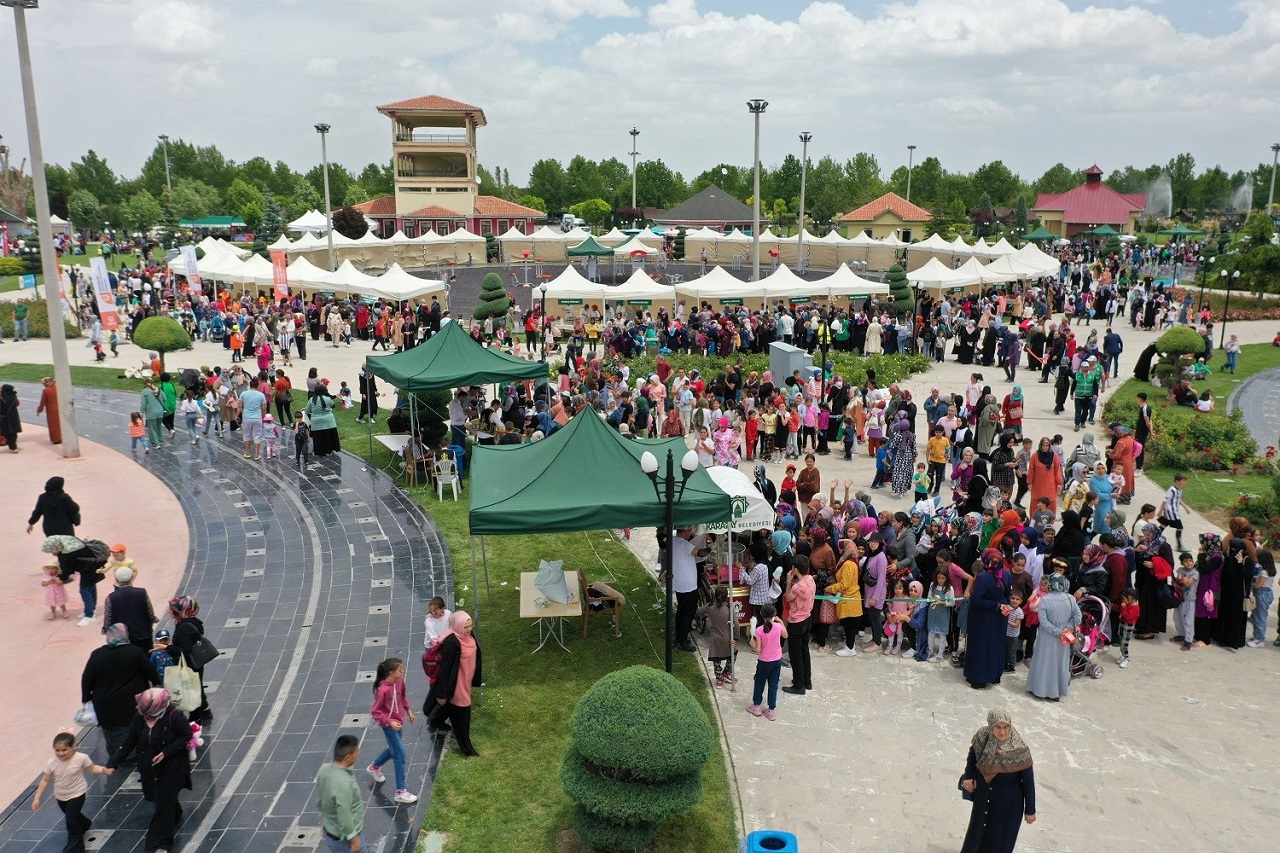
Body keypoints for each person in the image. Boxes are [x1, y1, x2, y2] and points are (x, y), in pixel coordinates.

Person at [104, 687, 193, 853]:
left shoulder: (174, 716)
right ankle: (174, 811)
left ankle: (159, 843)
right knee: (160, 799)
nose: (142, 714)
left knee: (162, 807)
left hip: (172, 768)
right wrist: (113, 763)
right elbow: (130, 740)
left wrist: (166, 752)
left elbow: (186, 735)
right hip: (150, 768)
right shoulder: (140, 717)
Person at [959, 708, 1036, 853]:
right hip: (983, 799)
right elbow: (972, 755)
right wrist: (969, 776)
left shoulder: (1019, 749)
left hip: (1007, 807)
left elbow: (1028, 782)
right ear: (990, 726)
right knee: (976, 836)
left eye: (1006, 727)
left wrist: (1030, 810)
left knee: (998, 842)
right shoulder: (983, 737)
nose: (1003, 732)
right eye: (998, 727)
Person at [81, 623, 160, 761]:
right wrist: (156, 683)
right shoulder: (135, 651)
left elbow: (87, 679)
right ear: (125, 635)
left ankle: (118, 756)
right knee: (134, 728)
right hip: (132, 702)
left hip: (105, 705)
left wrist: (86, 698)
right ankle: (134, 753)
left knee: (112, 733)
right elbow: (150, 671)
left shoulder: (97, 655)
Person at [32, 731, 109, 853]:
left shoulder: (81, 758)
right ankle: (84, 824)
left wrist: (103, 770)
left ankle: (74, 848)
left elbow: (92, 767)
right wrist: (37, 798)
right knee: (73, 815)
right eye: (57, 750)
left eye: (64, 750)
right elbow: (45, 780)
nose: (60, 753)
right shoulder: (52, 763)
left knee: (71, 821)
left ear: (73, 747)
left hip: (78, 793)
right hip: (61, 796)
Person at [425, 611, 482, 757]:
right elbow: (446, 670)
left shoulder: (467, 635)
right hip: (457, 684)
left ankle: (435, 721)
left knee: (450, 707)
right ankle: (467, 749)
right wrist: (442, 694)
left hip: (465, 680)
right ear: (457, 625)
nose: (469, 629)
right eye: (466, 626)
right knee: (462, 715)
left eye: (470, 626)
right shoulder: (451, 643)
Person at [367, 657, 418, 804]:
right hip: (389, 726)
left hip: (399, 721)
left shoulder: (400, 681)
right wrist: (389, 722)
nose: (402, 670)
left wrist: (409, 711)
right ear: (391, 672)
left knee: (394, 749)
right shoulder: (382, 690)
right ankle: (400, 791)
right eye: (399, 669)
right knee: (400, 755)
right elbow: (376, 712)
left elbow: (403, 697)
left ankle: (374, 766)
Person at [1026, 573, 1081, 701]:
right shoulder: (1070, 599)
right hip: (1064, 638)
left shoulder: (1045, 599)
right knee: (1060, 662)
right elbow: (1077, 617)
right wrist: (1066, 629)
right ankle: (1056, 692)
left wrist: (1057, 631)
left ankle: (1040, 689)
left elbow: (1043, 621)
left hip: (1047, 637)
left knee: (1044, 661)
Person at [964, 550, 1011, 689]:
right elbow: (1008, 595)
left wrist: (995, 605)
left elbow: (978, 599)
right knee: (996, 644)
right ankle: (995, 674)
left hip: (983, 617)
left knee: (981, 646)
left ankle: (979, 678)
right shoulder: (1007, 573)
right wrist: (1001, 605)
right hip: (1000, 616)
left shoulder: (983, 577)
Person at [317, 735, 366, 853]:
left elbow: (322, 801)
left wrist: (326, 823)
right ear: (348, 757)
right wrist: (354, 840)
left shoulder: (324, 770)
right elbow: (344, 816)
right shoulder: (343, 783)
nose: (359, 753)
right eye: (356, 751)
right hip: (345, 841)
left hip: (331, 833)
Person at [169, 596, 213, 724]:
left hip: (190, 664)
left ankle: (195, 718)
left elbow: (184, 650)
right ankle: (205, 711)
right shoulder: (192, 622)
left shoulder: (185, 627)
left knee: (191, 688)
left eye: (175, 610)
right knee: (197, 685)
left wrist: (167, 647)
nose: (172, 612)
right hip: (196, 662)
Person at [746, 603, 787, 721]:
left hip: (764, 661)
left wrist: (752, 644)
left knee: (759, 682)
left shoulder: (759, 630)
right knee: (773, 685)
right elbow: (786, 635)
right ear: (774, 614)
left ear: (761, 614)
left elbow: (758, 649)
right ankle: (771, 709)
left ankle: (756, 705)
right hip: (777, 661)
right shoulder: (778, 627)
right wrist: (781, 623)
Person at [101, 567, 157, 651]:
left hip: (121, 639)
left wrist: (106, 630)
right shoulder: (142, 592)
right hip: (143, 635)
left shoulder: (111, 598)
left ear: (117, 579)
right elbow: (150, 613)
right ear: (131, 577)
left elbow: (108, 620)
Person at [670, 527, 707, 652]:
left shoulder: (673, 541)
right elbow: (701, 553)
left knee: (681, 610)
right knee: (689, 612)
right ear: (686, 531)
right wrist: (711, 548)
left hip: (679, 583)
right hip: (688, 586)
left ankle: (679, 636)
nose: (691, 532)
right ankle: (682, 641)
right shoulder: (684, 545)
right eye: (690, 530)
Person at [782, 557, 815, 695]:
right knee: (804, 650)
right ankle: (807, 681)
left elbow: (788, 597)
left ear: (795, 569)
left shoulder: (797, 586)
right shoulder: (810, 580)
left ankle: (799, 685)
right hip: (807, 617)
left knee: (795, 655)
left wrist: (789, 582)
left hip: (797, 621)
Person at [698, 587, 736, 687]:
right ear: (726, 597)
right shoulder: (729, 609)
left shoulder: (709, 607)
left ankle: (719, 678)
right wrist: (736, 637)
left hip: (715, 638)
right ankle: (727, 672)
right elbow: (736, 624)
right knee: (733, 654)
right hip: (727, 637)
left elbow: (699, 612)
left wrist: (706, 617)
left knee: (716, 659)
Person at [307, 382, 341, 457]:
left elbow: (307, 411)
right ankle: (329, 451)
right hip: (328, 421)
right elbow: (333, 405)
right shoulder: (328, 399)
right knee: (328, 437)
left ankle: (319, 452)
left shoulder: (312, 400)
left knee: (318, 438)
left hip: (316, 422)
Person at [238, 376, 268, 460]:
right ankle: (256, 454)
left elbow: (239, 406)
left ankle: (248, 453)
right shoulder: (261, 395)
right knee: (257, 436)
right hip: (257, 417)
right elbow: (264, 408)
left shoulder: (244, 394)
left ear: (250, 385)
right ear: (257, 386)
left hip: (247, 417)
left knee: (246, 435)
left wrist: (236, 416)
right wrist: (264, 417)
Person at [35, 376, 63, 444]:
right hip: (60, 408)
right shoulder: (57, 388)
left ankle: (56, 439)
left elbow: (42, 402)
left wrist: (39, 410)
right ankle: (61, 436)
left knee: (53, 425)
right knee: (60, 424)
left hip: (51, 410)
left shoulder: (46, 391)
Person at [0, 383, 22, 451]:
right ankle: (13, 446)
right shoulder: (13, 397)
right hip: (14, 417)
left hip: (4, 418)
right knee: (13, 433)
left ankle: (12, 447)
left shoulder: (2, 399)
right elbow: (17, 404)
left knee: (7, 433)